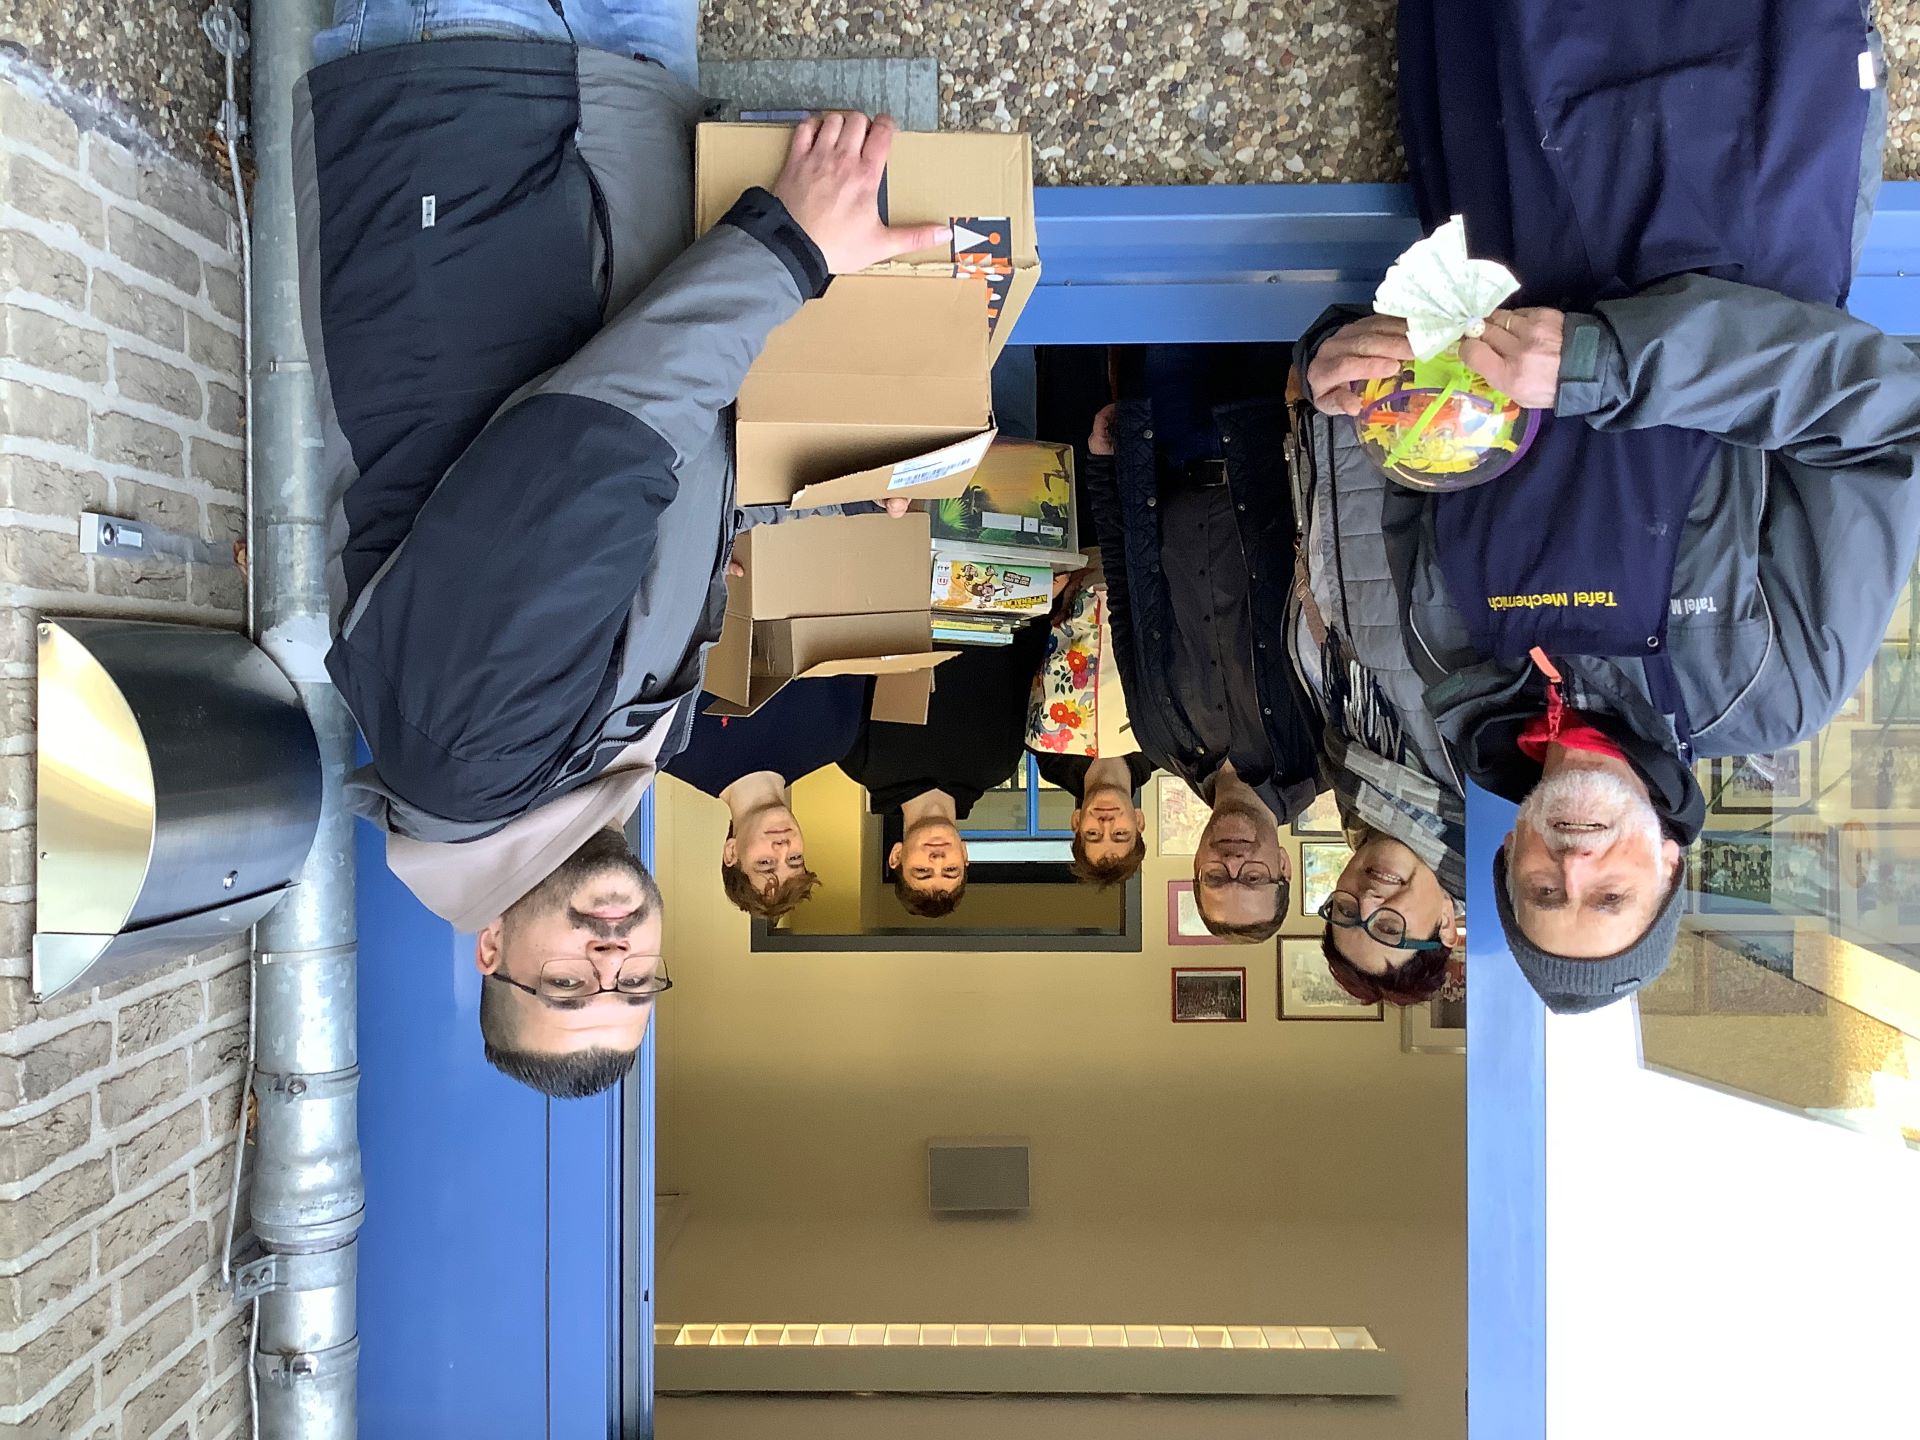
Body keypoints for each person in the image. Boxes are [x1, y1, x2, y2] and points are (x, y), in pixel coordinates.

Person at [295, 0, 948, 1095]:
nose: (611, 962)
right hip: (604, 116)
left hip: (480, 103)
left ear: (492, 953)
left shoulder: (469, 761)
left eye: (566, 988)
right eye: (636, 988)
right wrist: (825, 495)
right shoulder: (594, 773)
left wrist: (790, 254)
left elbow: (587, 456)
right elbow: (663, 517)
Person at [1299, 0, 1920, 1012]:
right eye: (1611, 892)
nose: (1575, 863)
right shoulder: (1767, 688)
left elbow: (1406, 441)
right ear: (1669, 865)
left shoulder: (1449, 664)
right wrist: (1602, 362)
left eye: (1545, 889)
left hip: (1501, 172)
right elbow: (1883, 416)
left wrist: (1346, 363)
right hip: (1726, 160)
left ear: (1509, 864)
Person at [1081, 346, 1323, 941]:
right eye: (1254, 878)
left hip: (1163, 448)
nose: (1233, 864)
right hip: (1266, 440)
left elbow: (1128, 592)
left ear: (1194, 865)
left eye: (1216, 879)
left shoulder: (1161, 741)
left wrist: (1102, 470)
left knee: (1162, 293)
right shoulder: (1323, 751)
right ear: (1284, 866)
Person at [1285, 381, 1466, 1004]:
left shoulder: (1351, 778)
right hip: (1435, 416)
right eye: (1390, 925)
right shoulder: (1479, 789)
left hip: (1345, 419)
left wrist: (1312, 424)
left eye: (1342, 913)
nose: (1365, 899)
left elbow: (1333, 577)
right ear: (1446, 927)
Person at [837, 625, 1049, 917]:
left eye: (923, 870)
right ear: (964, 856)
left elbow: (847, 655)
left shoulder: (862, 763)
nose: (937, 857)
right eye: (949, 869)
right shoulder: (997, 764)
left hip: (903, 599)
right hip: (988, 597)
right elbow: (1024, 663)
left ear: (896, 855)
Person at [663, 676, 871, 919]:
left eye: (765, 863)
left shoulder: (675, 747)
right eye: (795, 859)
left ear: (731, 853)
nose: (783, 848)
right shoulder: (834, 738)